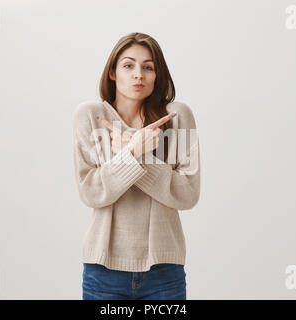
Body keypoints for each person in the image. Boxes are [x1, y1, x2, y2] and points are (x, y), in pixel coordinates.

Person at [72, 32, 201, 300]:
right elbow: (92, 192)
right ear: (112, 73)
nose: (138, 74)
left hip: (164, 271)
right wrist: (133, 151)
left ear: (157, 75)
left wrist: (135, 155)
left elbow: (188, 194)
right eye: (128, 65)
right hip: (103, 272)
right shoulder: (90, 116)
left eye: (148, 67)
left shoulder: (177, 117)